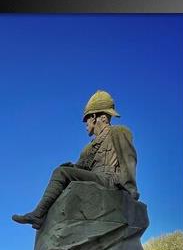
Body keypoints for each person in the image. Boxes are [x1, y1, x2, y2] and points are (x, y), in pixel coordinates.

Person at [12, 90, 139, 230]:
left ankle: (38, 214)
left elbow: (128, 158)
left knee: (61, 173)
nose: (85, 124)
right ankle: (46, 217)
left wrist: (130, 189)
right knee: (62, 171)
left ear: (97, 117)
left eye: (87, 120)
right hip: (95, 179)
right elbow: (81, 168)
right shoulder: (88, 148)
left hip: (109, 180)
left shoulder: (119, 132)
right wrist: (72, 167)